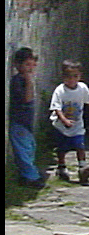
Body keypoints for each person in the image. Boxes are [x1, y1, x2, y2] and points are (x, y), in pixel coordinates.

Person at [49, 60, 89, 185]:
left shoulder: (82, 88)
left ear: (80, 76)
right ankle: (62, 166)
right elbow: (56, 108)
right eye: (68, 77)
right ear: (63, 77)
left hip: (77, 124)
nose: (72, 80)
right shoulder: (60, 91)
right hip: (61, 126)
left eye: (75, 76)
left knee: (80, 146)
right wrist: (64, 120)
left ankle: (82, 167)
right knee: (62, 148)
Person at [9, 47, 45, 189]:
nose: (30, 69)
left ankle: (26, 175)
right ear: (18, 65)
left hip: (26, 122)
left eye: (32, 65)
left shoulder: (24, 79)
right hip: (19, 121)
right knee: (23, 150)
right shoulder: (18, 80)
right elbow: (27, 99)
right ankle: (31, 177)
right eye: (27, 65)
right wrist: (29, 82)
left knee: (29, 148)